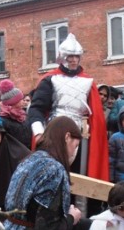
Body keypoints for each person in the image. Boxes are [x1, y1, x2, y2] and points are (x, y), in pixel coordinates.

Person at [27, 34, 108, 182]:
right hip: (54, 134)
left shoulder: (88, 82)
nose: (74, 60)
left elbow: (95, 116)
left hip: (81, 135)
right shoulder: (49, 79)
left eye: (77, 56)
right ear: (62, 56)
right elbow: (36, 109)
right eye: (70, 56)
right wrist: (39, 134)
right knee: (51, 176)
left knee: (79, 178)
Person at [0, 79, 32, 148]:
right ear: (13, 102)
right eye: (21, 99)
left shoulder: (24, 115)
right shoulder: (3, 119)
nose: (24, 102)